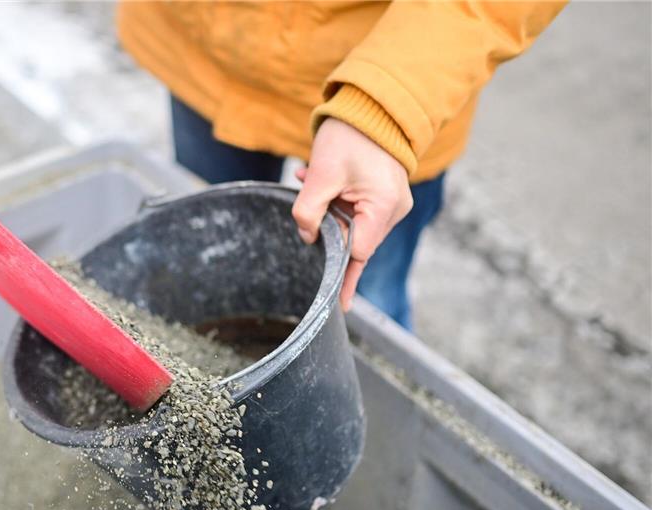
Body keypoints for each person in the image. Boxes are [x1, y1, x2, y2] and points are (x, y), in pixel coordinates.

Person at [116, 1, 566, 330]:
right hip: (200, 49)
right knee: (209, 271)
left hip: (393, 92)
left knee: (367, 307)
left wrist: (386, 106)